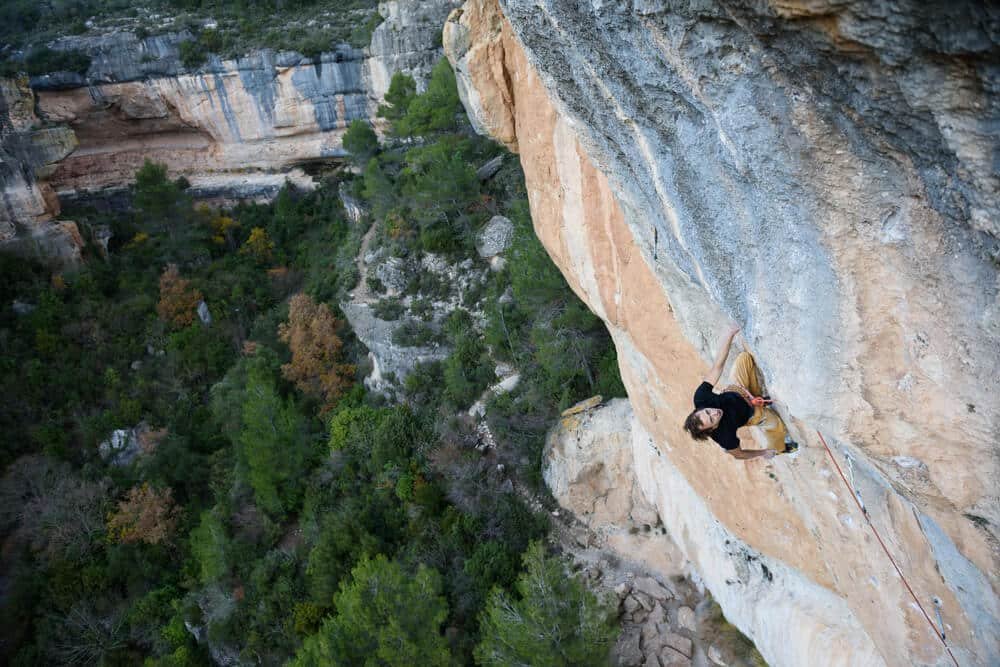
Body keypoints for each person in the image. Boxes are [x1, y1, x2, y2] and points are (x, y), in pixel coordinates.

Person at [683, 325, 796, 460]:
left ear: (700, 409)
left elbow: (717, 367)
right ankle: (780, 448)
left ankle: (759, 397)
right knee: (776, 427)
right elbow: (739, 454)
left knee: (745, 358)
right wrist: (763, 453)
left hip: (738, 390)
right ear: (711, 429)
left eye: (707, 411)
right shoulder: (724, 437)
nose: (714, 412)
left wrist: (729, 334)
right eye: (712, 419)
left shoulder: (701, 398)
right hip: (752, 413)